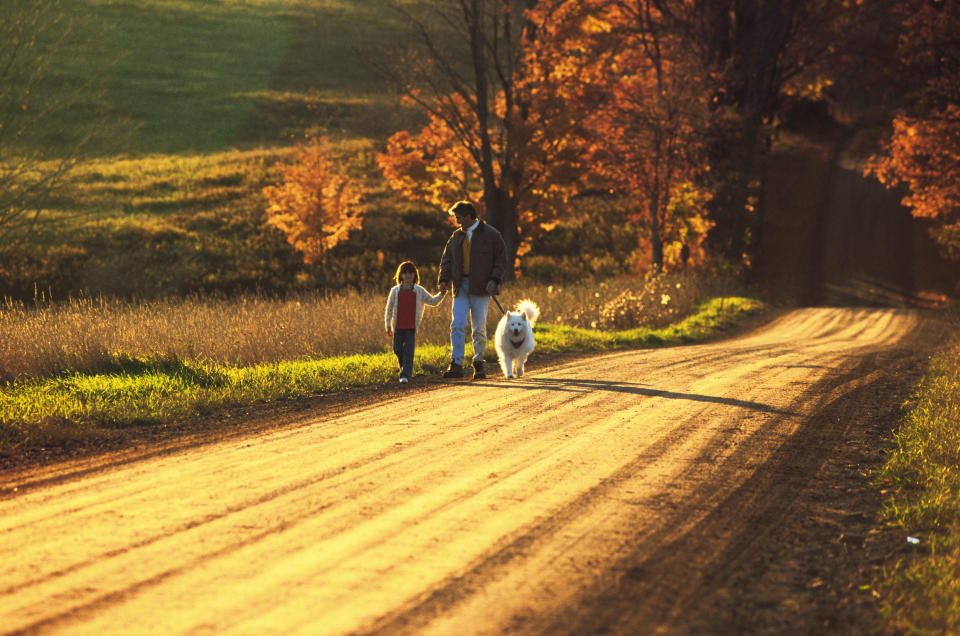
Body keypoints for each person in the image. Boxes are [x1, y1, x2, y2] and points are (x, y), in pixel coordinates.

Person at [437, 200, 507, 379]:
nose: (457, 221)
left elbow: (501, 260)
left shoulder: (491, 234)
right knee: (457, 324)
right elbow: (447, 260)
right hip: (460, 286)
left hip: (482, 288)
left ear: (469, 216)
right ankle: (457, 364)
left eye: (459, 218)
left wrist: (494, 280)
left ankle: (479, 362)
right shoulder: (456, 237)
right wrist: (444, 279)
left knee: (479, 328)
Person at [384, 260, 445, 384]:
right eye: (405, 273)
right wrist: (388, 325)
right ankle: (404, 367)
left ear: (415, 275)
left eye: (411, 273)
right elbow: (389, 309)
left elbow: (433, 301)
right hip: (398, 327)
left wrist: (442, 293)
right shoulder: (395, 291)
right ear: (400, 275)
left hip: (411, 328)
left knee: (409, 352)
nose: (408, 275)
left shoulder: (419, 291)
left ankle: (405, 375)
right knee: (397, 350)